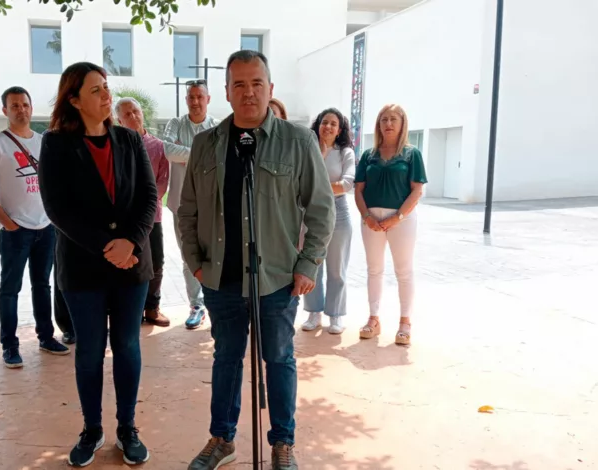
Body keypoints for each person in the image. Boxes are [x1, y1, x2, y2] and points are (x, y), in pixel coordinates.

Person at [179, 50, 335, 470]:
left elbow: (322, 210)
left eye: (256, 83)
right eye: (239, 84)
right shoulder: (206, 144)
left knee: (279, 359)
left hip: (278, 278)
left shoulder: (298, 141)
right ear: (227, 92)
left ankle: (283, 443)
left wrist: (308, 264)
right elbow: (187, 210)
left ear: (270, 88)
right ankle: (222, 439)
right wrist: (196, 263)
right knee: (226, 359)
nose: (248, 92)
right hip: (221, 277)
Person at [38, 63, 158, 467]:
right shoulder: (56, 144)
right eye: (95, 90)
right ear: (74, 100)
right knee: (90, 349)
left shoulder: (129, 139)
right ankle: (92, 429)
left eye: (106, 87)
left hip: (131, 263)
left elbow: (148, 196)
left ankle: (127, 428)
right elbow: (57, 208)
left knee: (127, 345)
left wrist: (130, 242)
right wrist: (108, 246)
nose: (106, 95)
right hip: (83, 265)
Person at [0, 86, 70, 369]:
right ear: (5, 110)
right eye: (15, 106)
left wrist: (53, 218)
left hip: (45, 228)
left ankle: (46, 337)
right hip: (15, 232)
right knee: (10, 289)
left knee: (43, 286)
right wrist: (8, 224)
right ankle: (10, 346)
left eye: (25, 104)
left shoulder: (43, 142)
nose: (21, 110)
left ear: (31, 107)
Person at [354, 103, 427, 346]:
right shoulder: (369, 155)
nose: (388, 123)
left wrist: (398, 217)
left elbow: (417, 190)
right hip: (371, 220)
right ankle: (374, 319)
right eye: (384, 119)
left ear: (402, 123)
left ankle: (405, 323)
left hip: (401, 220)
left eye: (393, 119)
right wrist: (367, 217)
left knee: (403, 271)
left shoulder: (412, 154)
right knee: (374, 269)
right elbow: (358, 190)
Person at [162, 79, 221, 330]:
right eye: (191, 97)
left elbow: (220, 156)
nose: (195, 101)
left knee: (214, 253)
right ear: (186, 100)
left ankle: (215, 302)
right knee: (189, 255)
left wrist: (186, 154)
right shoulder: (175, 124)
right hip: (181, 204)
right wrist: (201, 154)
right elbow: (168, 150)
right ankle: (197, 305)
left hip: (212, 204)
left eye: (200, 97)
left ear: (208, 99)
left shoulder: (217, 127)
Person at [115, 97, 171, 327]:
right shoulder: (117, 146)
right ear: (119, 120)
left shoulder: (158, 146)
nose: (133, 116)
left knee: (156, 262)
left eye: (135, 111)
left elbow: (162, 181)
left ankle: (152, 307)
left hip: (152, 217)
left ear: (142, 113)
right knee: (131, 263)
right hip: (125, 218)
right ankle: (133, 310)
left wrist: (145, 205)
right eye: (127, 114)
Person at [301, 108, 356, 334]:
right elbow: (302, 180)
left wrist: (318, 187)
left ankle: (335, 315)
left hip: (338, 213)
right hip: (310, 213)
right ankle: (313, 312)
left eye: (333, 124)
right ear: (318, 125)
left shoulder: (345, 153)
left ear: (339, 129)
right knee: (312, 265)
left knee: (337, 268)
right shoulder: (308, 149)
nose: (328, 127)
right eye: (325, 122)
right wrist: (321, 157)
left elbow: (347, 184)